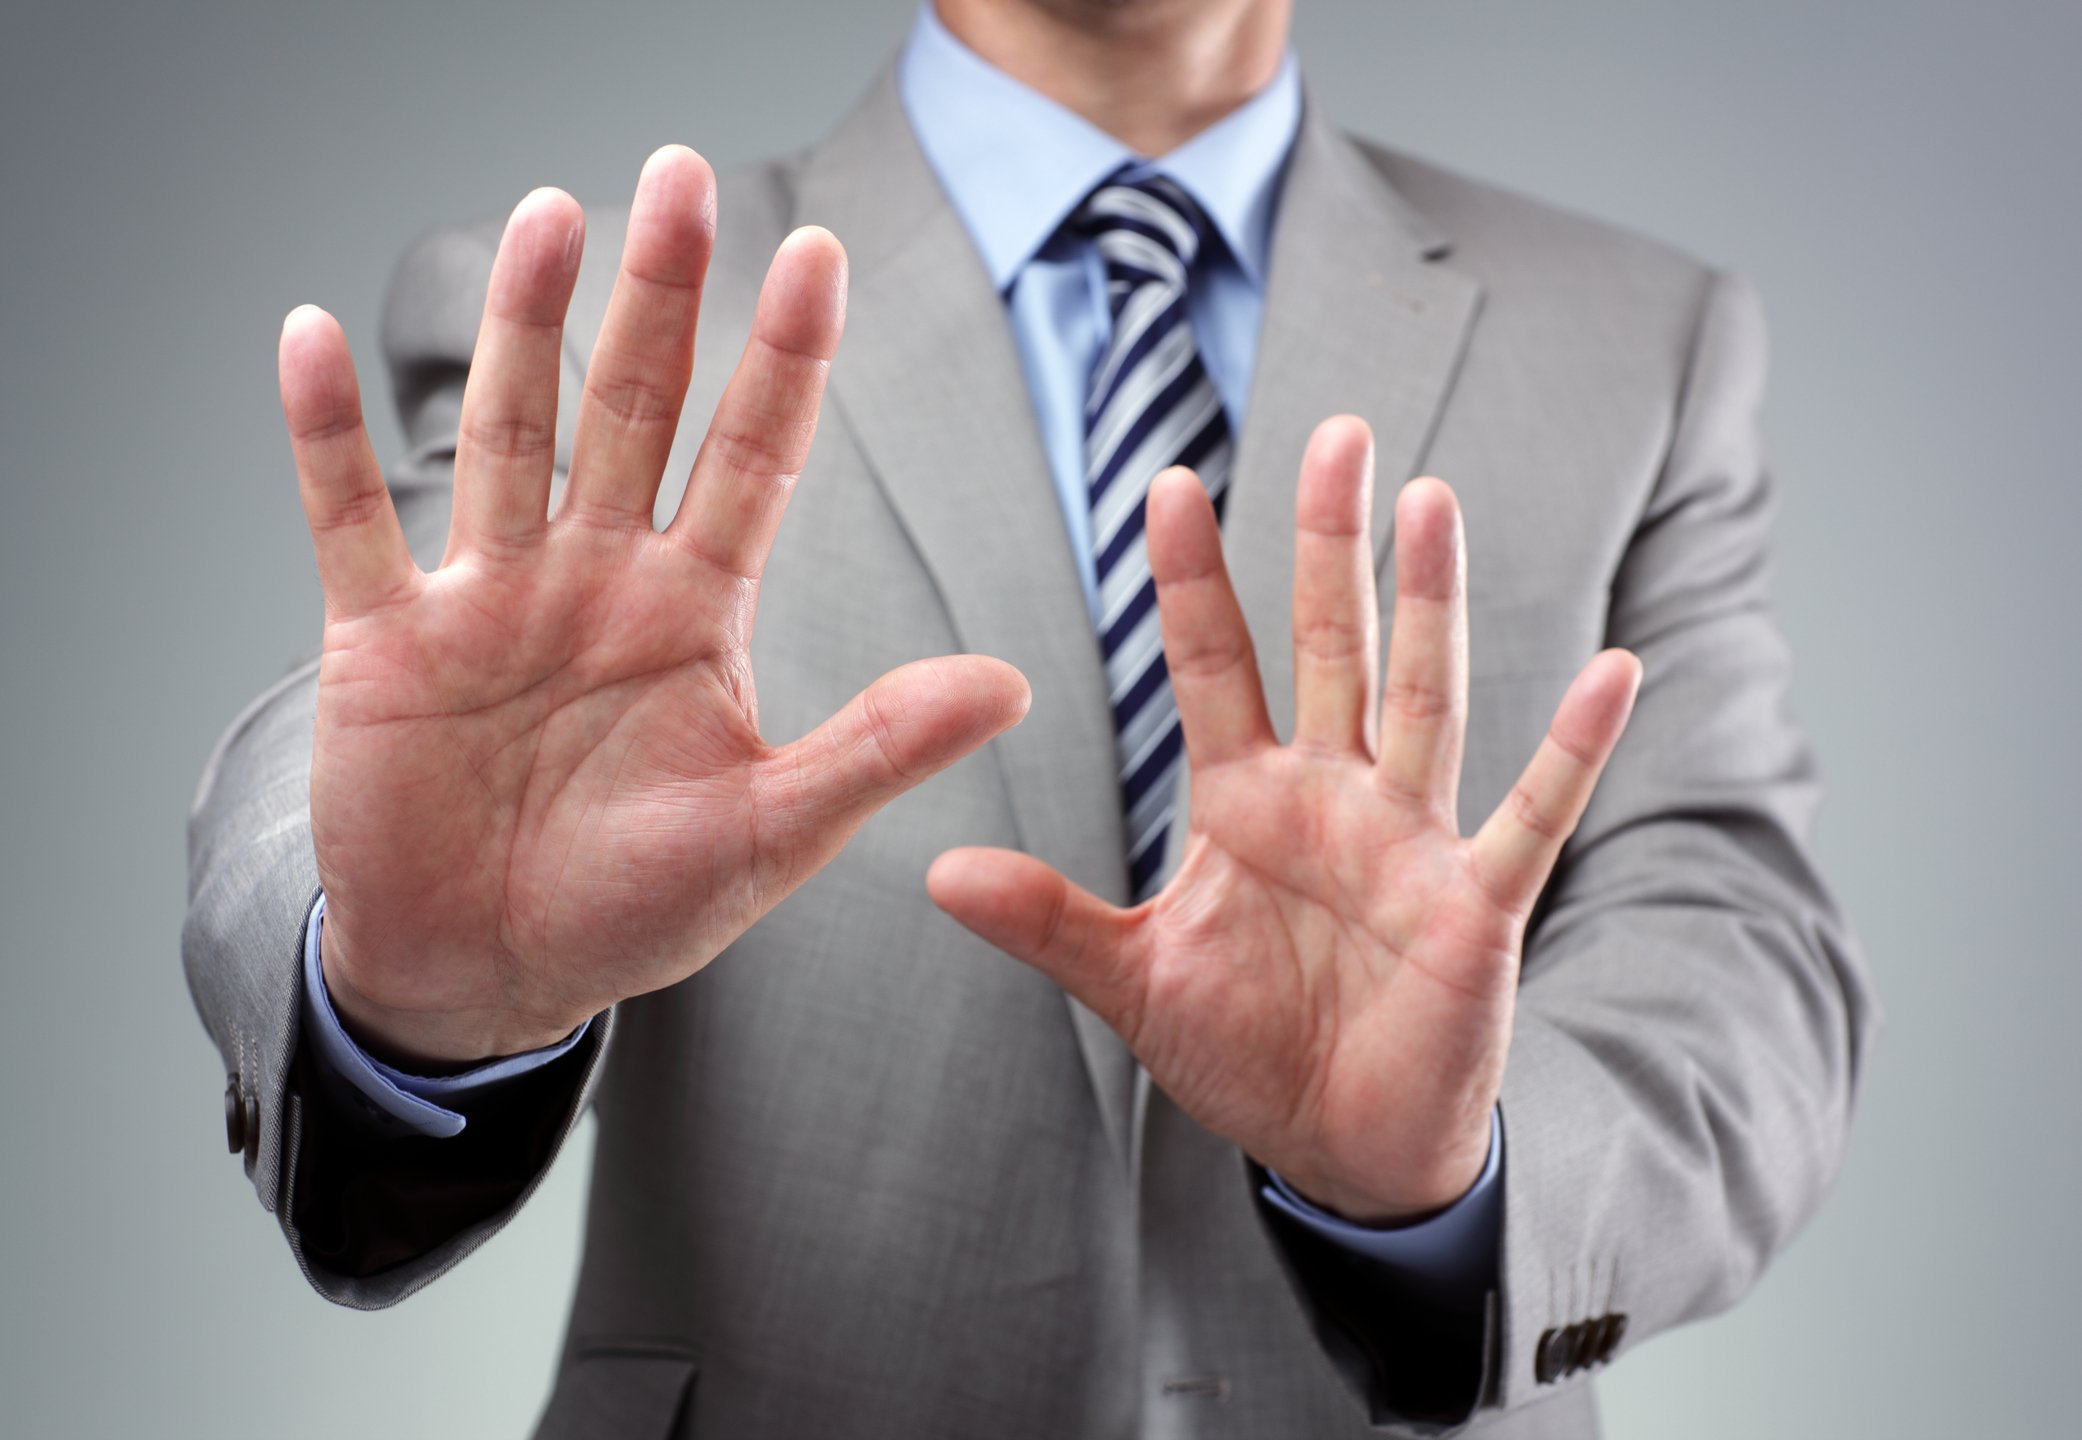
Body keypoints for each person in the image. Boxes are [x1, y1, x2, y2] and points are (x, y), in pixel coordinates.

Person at [183, 0, 1878, 1434]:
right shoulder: (599, 316)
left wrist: (1452, 1178)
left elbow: (1734, 952)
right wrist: (401, 991)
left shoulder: (1640, 341)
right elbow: (346, 759)